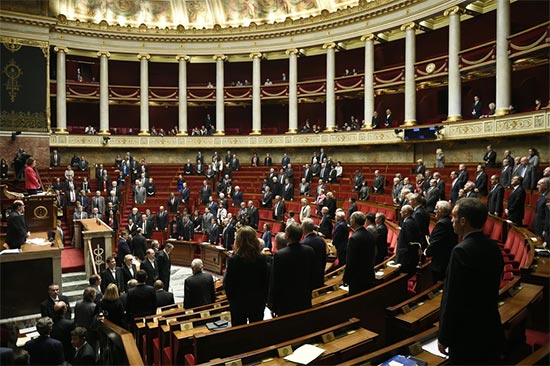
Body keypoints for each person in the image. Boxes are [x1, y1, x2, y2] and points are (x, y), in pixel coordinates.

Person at [438, 198, 504, 364]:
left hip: (465, 333)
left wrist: (444, 336)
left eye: (453, 217)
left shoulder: (461, 250)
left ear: (463, 220)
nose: (451, 220)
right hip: (489, 325)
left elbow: (452, 296)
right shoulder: (493, 246)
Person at [224, 226, 269, 326]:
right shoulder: (261, 258)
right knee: (256, 330)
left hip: (238, 303)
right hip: (257, 302)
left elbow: (228, 284)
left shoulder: (234, 260)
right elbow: (265, 282)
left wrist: (232, 301)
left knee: (239, 332)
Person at [270, 223, 316, 316]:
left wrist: (273, 304)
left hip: (286, 300)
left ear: (287, 236)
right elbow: (312, 274)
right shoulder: (309, 250)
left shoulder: (280, 255)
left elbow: (275, 281)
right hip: (304, 296)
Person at [343, 212, 376, 294]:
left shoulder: (354, 238)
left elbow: (350, 261)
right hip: (369, 274)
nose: (349, 220)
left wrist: (346, 278)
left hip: (357, 278)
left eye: (351, 219)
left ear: (353, 221)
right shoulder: (370, 235)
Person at [425, 201, 458, 283]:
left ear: (442, 211)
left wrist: (426, 252)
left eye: (436, 209)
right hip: (446, 259)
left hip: (440, 262)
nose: (434, 211)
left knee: (437, 283)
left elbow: (436, 243)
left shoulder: (442, 224)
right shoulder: (448, 221)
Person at [396, 205, 423, 275]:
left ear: (406, 212)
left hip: (406, 256)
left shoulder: (408, 223)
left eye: (402, 211)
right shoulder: (411, 221)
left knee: (405, 274)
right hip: (407, 255)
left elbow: (409, 240)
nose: (400, 212)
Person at [301, 218, 327, 289]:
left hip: (308, 279)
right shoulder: (321, 240)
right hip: (319, 275)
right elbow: (324, 259)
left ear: (303, 228)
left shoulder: (303, 244)